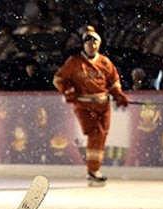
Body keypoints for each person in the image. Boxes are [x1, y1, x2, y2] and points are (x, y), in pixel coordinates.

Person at [53, 26, 129, 186]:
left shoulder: (105, 62)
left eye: (94, 42)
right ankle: (93, 171)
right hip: (84, 105)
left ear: (99, 44)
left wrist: (118, 94)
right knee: (96, 133)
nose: (91, 45)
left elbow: (114, 81)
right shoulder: (74, 62)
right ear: (83, 45)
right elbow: (58, 79)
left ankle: (94, 170)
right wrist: (68, 90)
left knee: (101, 135)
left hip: (103, 105)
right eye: (88, 42)